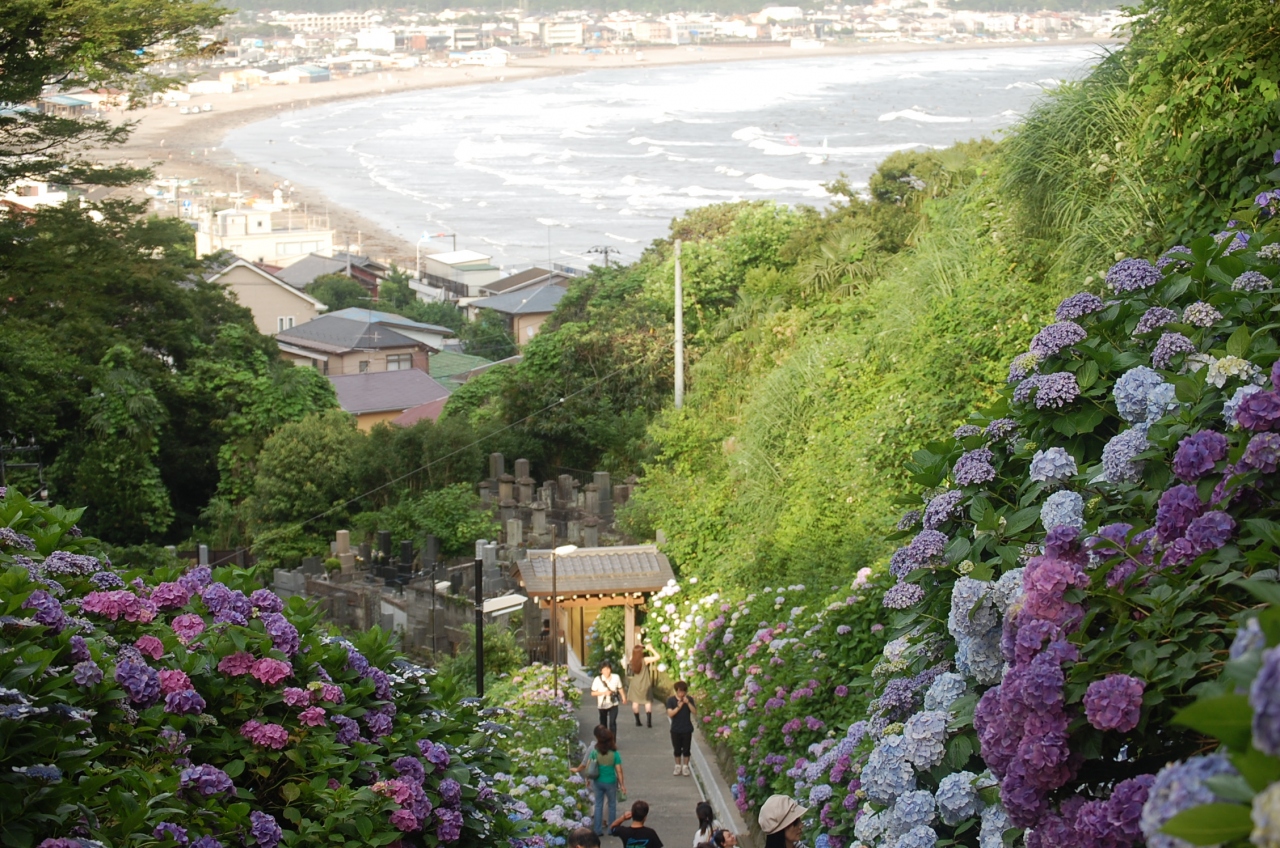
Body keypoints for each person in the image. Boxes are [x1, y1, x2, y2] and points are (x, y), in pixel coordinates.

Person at [579, 727, 623, 836]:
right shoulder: (614, 754)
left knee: (598, 804)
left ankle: (597, 829)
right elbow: (619, 770)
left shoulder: (595, 752)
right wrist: (622, 784)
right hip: (610, 781)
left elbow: (589, 766)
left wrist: (587, 779)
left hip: (597, 781)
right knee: (612, 805)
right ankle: (611, 828)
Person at [665, 680, 696, 776]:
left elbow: (695, 712)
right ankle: (677, 766)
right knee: (677, 749)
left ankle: (686, 767)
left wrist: (688, 703)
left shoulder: (689, 699)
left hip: (687, 728)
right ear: (676, 691)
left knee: (687, 749)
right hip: (675, 729)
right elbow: (670, 714)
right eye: (679, 691)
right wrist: (678, 707)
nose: (682, 694)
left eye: (683, 692)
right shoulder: (671, 700)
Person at [628, 638, 660, 727]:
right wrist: (650, 649)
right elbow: (658, 657)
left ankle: (637, 721)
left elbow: (635, 653)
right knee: (647, 701)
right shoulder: (645, 660)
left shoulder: (631, 659)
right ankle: (649, 722)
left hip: (635, 683)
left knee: (635, 702)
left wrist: (639, 647)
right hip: (645, 682)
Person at [592, 662, 626, 734]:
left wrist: (623, 696)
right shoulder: (597, 679)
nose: (606, 671)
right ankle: (604, 742)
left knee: (612, 723)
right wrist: (604, 693)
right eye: (604, 670)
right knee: (603, 724)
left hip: (614, 703)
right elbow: (593, 693)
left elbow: (620, 688)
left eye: (608, 669)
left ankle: (613, 742)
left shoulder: (616, 677)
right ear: (601, 671)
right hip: (602, 704)